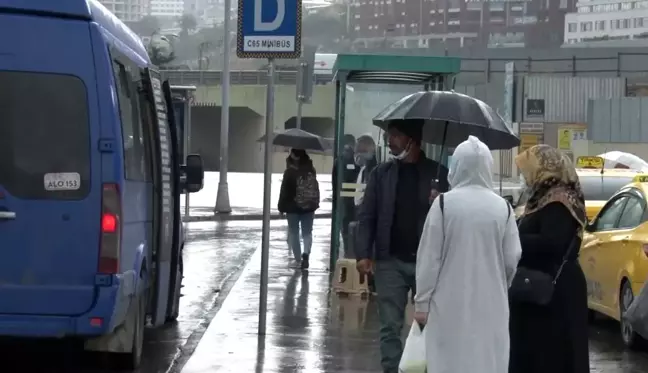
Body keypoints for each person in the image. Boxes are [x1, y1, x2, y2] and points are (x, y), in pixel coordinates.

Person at [413, 135, 522, 373]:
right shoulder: (503, 208)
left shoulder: (443, 205)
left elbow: (429, 259)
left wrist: (422, 302)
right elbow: (512, 258)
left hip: (447, 305)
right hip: (492, 305)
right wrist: (499, 283)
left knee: (447, 361)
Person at [355, 119, 449, 373]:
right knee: (389, 327)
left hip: (427, 263)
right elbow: (367, 216)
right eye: (389, 135)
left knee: (429, 325)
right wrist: (363, 254)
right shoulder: (381, 174)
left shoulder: (438, 174)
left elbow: (451, 218)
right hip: (389, 262)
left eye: (395, 136)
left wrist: (439, 201)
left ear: (412, 140)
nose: (389, 141)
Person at [509, 144, 589, 373]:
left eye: (527, 170)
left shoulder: (558, 202)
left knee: (553, 358)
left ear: (543, 169)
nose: (524, 177)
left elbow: (551, 243)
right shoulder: (541, 199)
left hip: (555, 292)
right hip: (538, 290)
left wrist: (513, 240)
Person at [278, 149, 320, 270]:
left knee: (294, 232)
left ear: (295, 157)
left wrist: (281, 207)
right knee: (307, 232)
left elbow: (284, 192)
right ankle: (306, 253)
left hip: (292, 207)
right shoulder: (311, 170)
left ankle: (297, 260)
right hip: (308, 206)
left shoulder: (289, 172)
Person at [332, 134, 359, 255]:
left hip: (344, 200)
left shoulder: (339, 160)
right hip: (354, 200)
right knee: (353, 227)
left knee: (345, 228)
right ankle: (351, 251)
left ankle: (349, 252)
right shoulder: (355, 159)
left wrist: (336, 201)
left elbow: (335, 182)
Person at [353, 134, 378, 208]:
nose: (357, 155)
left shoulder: (372, 171)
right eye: (356, 151)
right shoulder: (362, 169)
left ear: (371, 151)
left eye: (362, 151)